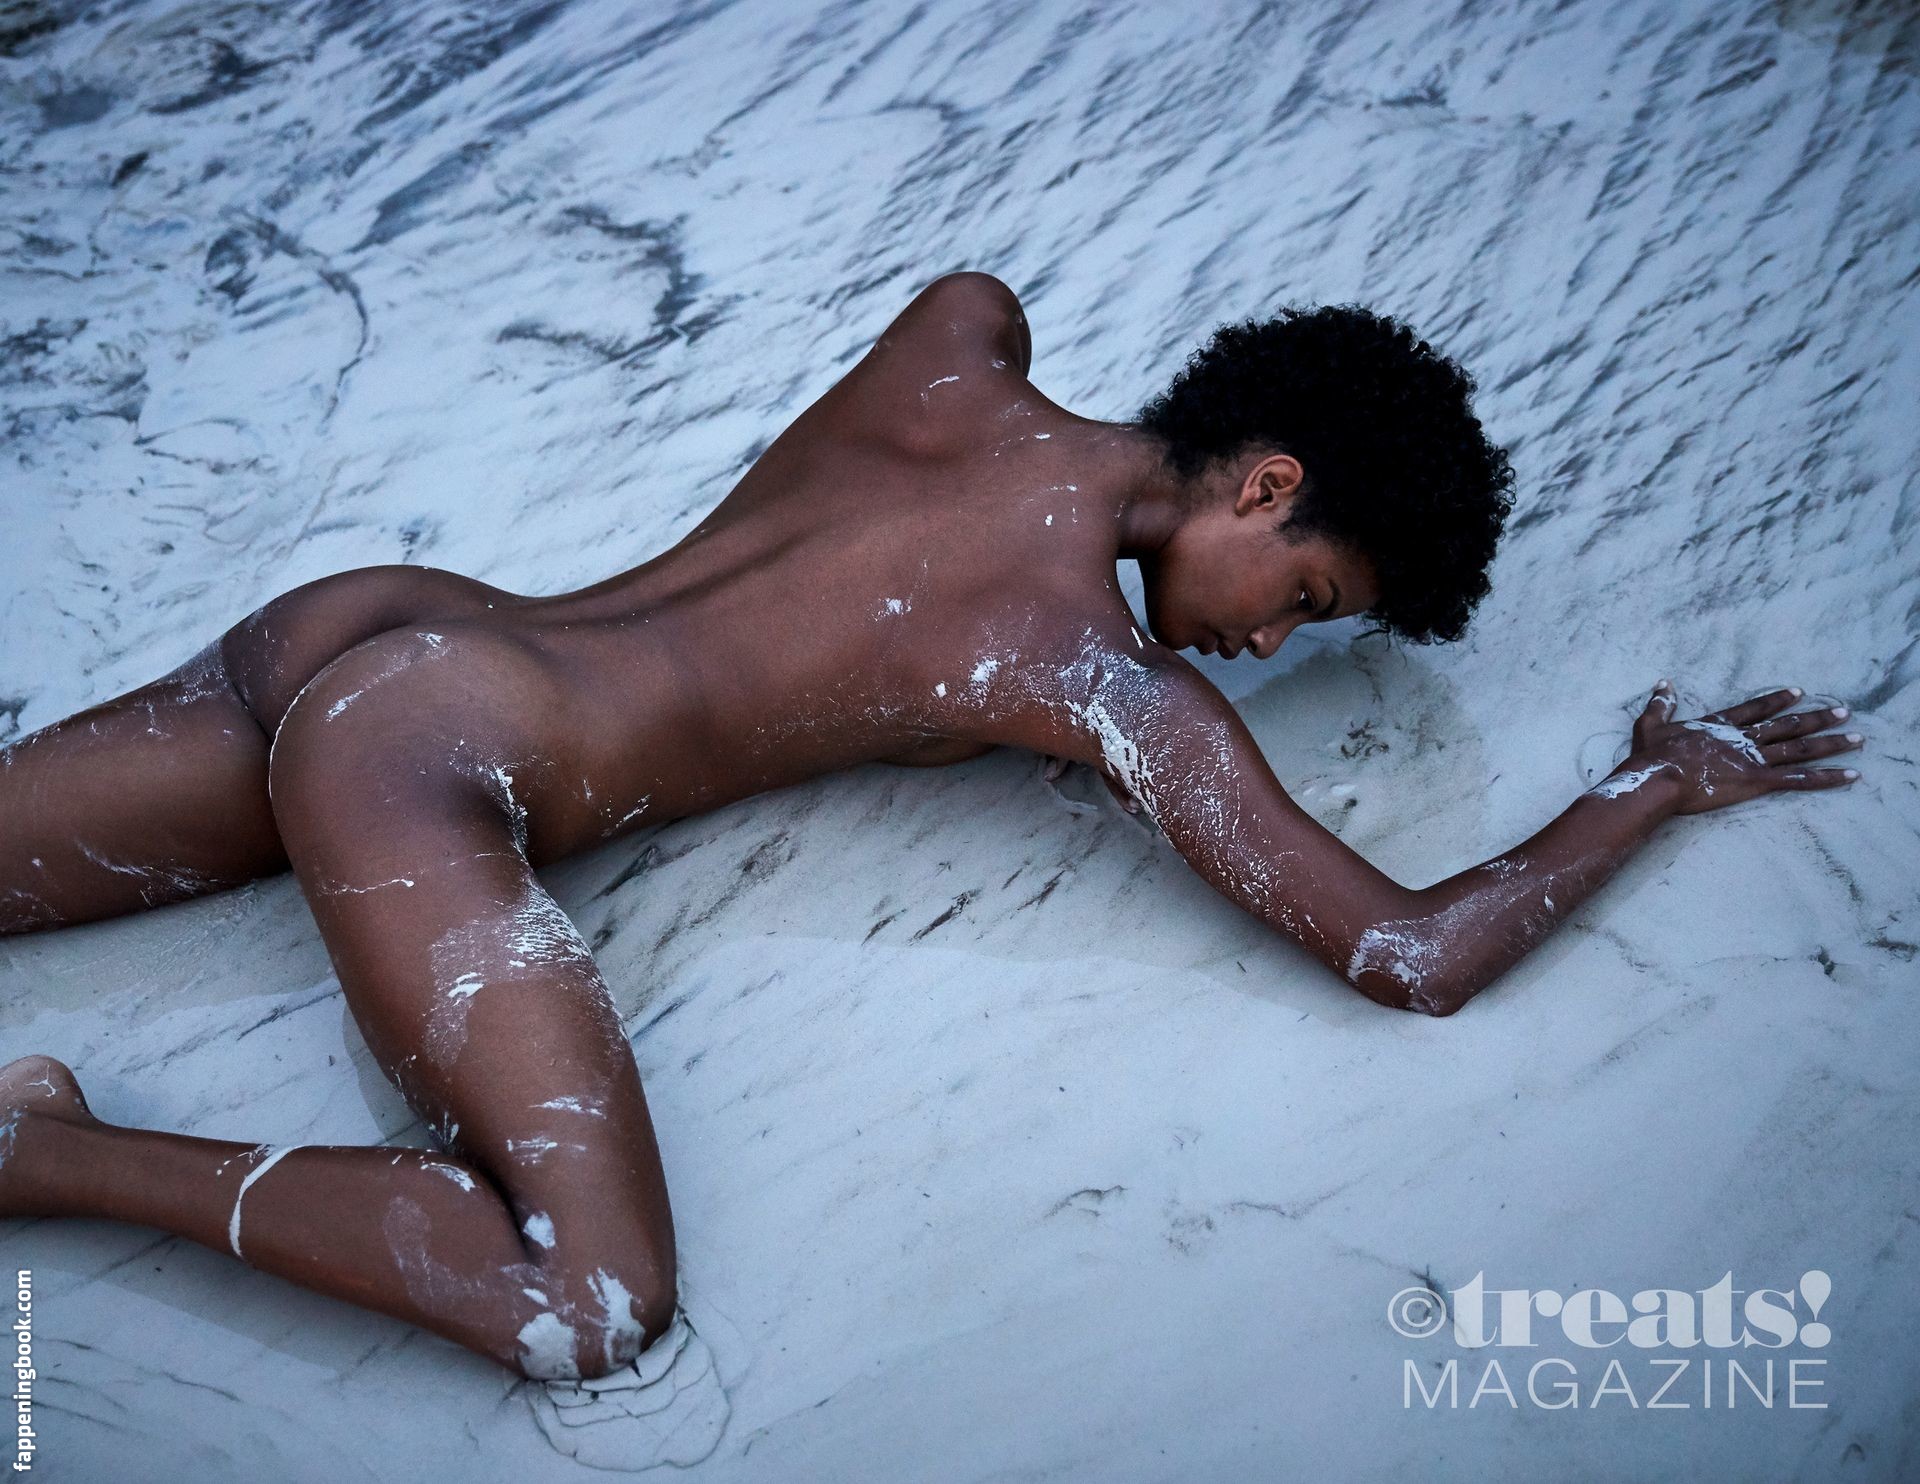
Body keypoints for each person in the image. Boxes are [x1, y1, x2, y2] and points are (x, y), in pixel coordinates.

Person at [0, 272, 1863, 1382]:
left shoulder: (961, 342)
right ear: (1265, 479)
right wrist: (1654, 783)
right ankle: (51, 1154)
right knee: (593, 1297)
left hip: (364, 627)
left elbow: (936, 468)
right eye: (1304, 595)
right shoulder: (1091, 676)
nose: (1269, 646)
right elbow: (1407, 950)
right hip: (431, 759)